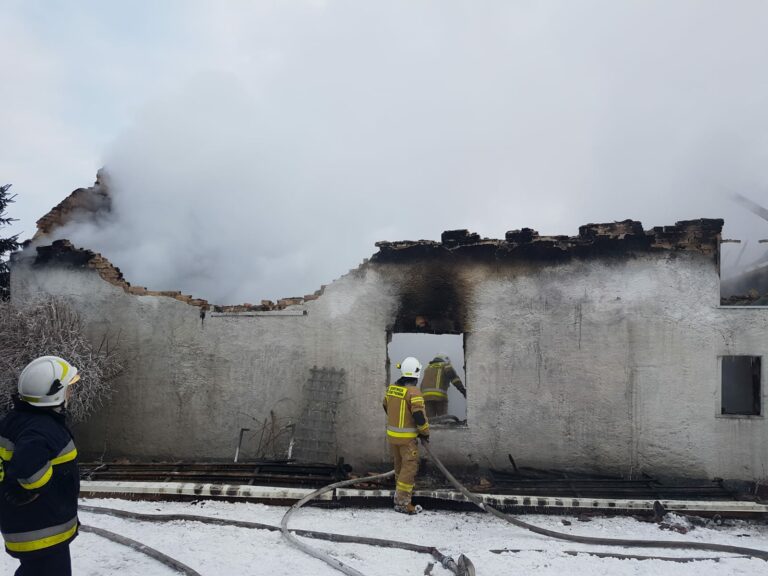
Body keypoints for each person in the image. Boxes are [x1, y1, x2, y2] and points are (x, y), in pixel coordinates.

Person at [0, 356, 81, 576]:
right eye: (68, 388)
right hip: (43, 530)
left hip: (28, 526)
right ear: (55, 393)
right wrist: (35, 487)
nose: (71, 392)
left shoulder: (16, 420)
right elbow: (29, 470)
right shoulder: (42, 428)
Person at [383, 356, 430, 514]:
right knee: (409, 469)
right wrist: (425, 432)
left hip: (393, 437)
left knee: (399, 467)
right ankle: (403, 503)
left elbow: (385, 405)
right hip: (407, 440)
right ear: (416, 373)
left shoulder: (392, 389)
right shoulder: (414, 392)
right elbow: (419, 416)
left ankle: (400, 495)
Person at [420, 353, 466, 418]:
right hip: (440, 398)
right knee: (443, 420)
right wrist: (463, 391)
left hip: (426, 398)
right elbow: (454, 379)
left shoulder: (428, 368)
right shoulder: (445, 365)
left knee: (430, 420)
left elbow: (422, 384)